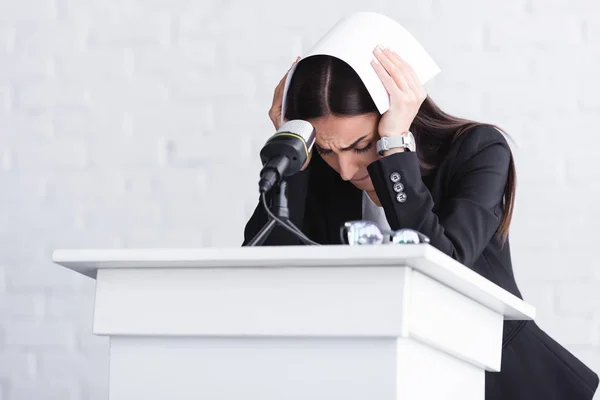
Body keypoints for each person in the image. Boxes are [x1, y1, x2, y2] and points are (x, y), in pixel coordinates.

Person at [242, 46, 599, 399]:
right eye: (325, 150)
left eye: (362, 145)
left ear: (398, 113)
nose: (346, 170)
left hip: (500, 379)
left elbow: (447, 265)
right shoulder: (321, 175)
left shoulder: (477, 150)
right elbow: (261, 274)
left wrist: (394, 151)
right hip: (384, 380)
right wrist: (293, 156)